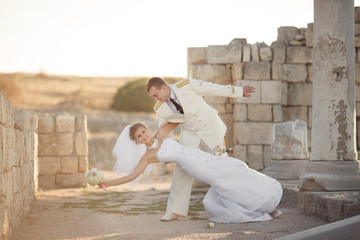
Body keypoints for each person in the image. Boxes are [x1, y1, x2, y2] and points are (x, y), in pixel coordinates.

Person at [100, 122, 283, 223]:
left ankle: (268, 204)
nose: (144, 136)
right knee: (223, 182)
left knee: (234, 169)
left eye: (143, 132)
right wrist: (107, 183)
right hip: (194, 167)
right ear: (137, 141)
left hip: (199, 155)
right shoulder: (147, 157)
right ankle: (260, 208)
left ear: (147, 129)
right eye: (139, 137)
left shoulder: (161, 134)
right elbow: (131, 176)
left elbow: (180, 116)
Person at [146, 77, 255, 221]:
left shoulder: (187, 85)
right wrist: (167, 152)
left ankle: (238, 204)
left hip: (210, 127)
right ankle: (174, 210)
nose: (155, 99)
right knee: (182, 168)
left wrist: (239, 91)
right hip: (189, 132)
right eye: (152, 97)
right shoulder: (159, 108)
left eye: (156, 95)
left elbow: (213, 88)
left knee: (223, 166)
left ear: (164, 88)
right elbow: (164, 129)